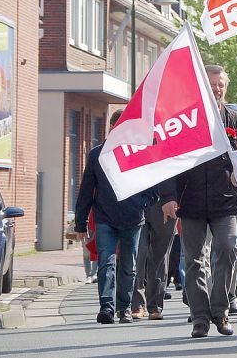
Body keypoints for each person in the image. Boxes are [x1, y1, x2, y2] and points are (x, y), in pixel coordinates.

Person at [160, 65, 237, 338]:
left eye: (221, 84)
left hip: (226, 201)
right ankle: (200, 318)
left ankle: (220, 311)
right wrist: (168, 197)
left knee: (229, 249)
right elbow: (170, 161)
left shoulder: (235, 120)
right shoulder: (183, 121)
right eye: (211, 84)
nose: (217, 89)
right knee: (194, 260)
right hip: (191, 200)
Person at [74, 109, 158, 325]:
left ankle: (124, 309)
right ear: (111, 128)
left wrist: (141, 203)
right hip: (105, 219)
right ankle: (107, 308)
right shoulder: (97, 155)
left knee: (129, 266)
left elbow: (153, 187)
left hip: (133, 218)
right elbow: (86, 190)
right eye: (117, 126)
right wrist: (80, 222)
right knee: (106, 262)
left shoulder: (140, 152)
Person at [129, 181, 177, 320]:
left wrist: (174, 198)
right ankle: (137, 304)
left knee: (160, 256)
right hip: (137, 198)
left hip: (165, 200)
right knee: (138, 253)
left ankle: (155, 306)